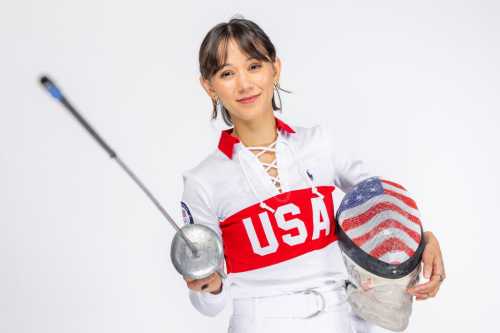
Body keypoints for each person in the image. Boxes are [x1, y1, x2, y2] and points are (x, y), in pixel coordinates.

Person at [179, 17, 445, 333]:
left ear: (274, 69)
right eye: (227, 73)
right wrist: (208, 283)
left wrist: (424, 238)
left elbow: (382, 205)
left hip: (340, 319)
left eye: (254, 66)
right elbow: (209, 305)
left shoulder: (320, 144)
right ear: (209, 85)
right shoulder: (202, 181)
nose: (244, 84)